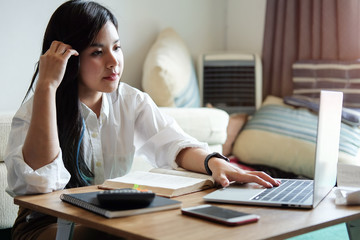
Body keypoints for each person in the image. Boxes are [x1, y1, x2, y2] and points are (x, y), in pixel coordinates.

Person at [4, 0, 280, 239]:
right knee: (124, 234)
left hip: (107, 216)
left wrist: (215, 163)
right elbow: (39, 187)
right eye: (97, 52)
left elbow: (173, 144)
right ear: (69, 58)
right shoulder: (36, 110)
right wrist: (47, 86)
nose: (114, 62)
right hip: (46, 228)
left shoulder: (131, 100)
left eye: (117, 47)